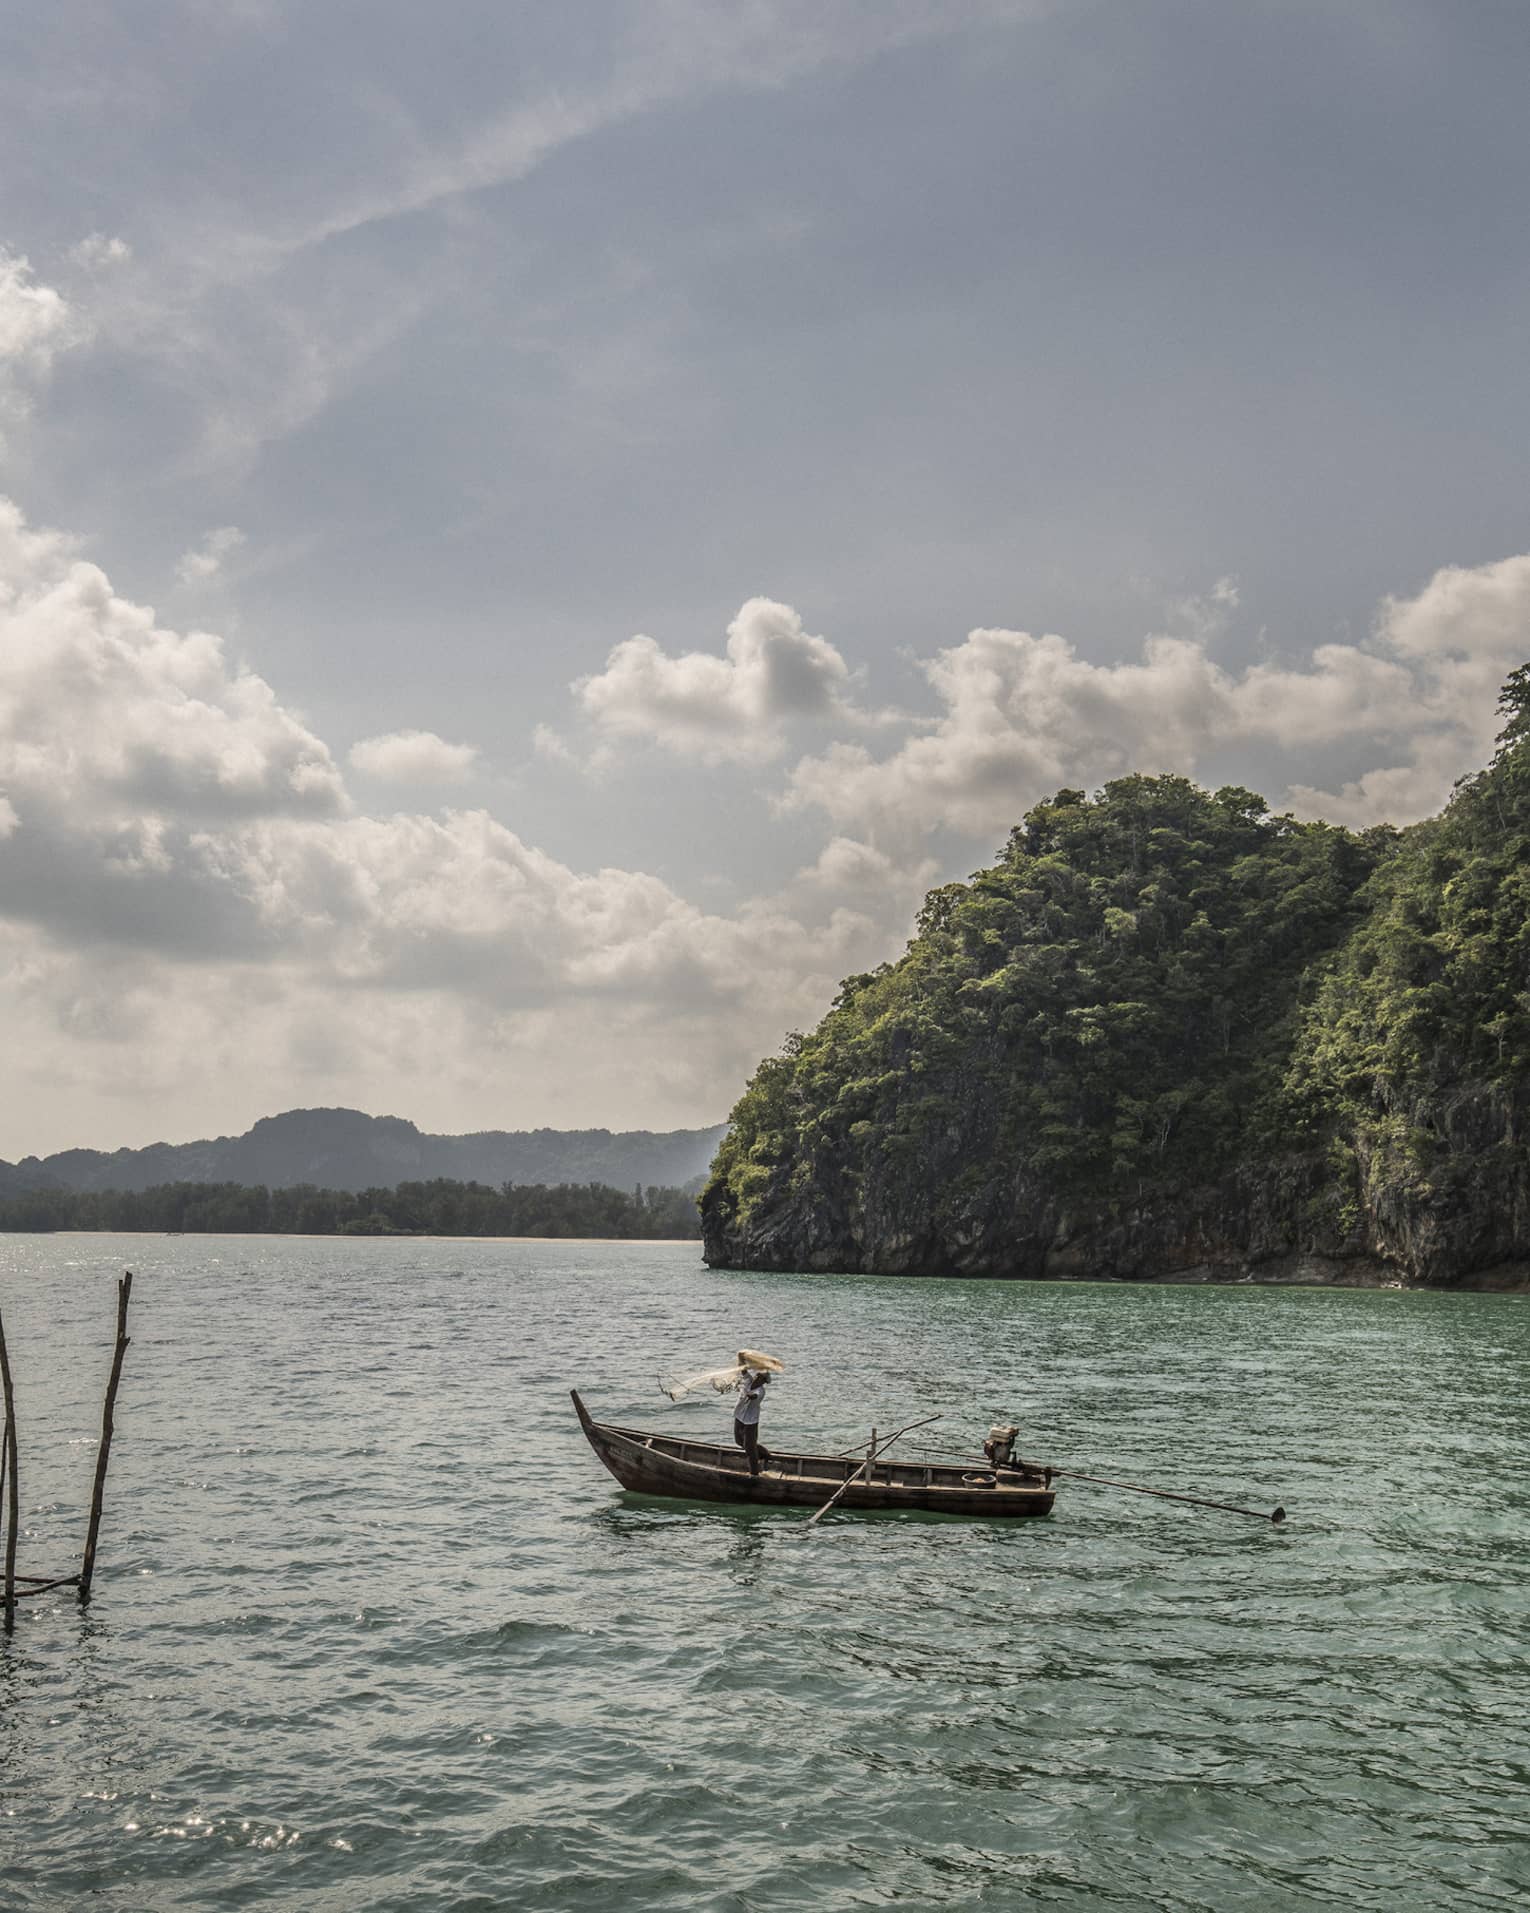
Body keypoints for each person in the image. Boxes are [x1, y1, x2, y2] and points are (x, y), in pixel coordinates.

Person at [733, 1368, 772, 1478]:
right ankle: (764, 1453)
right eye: (757, 1375)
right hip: (739, 1416)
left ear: (763, 1381)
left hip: (751, 1421)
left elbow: (753, 1396)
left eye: (760, 1377)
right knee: (739, 1441)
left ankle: (754, 1473)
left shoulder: (760, 1391)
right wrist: (742, 1358)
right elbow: (743, 1369)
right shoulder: (748, 1380)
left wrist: (746, 1392)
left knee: (749, 1449)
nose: (756, 1378)